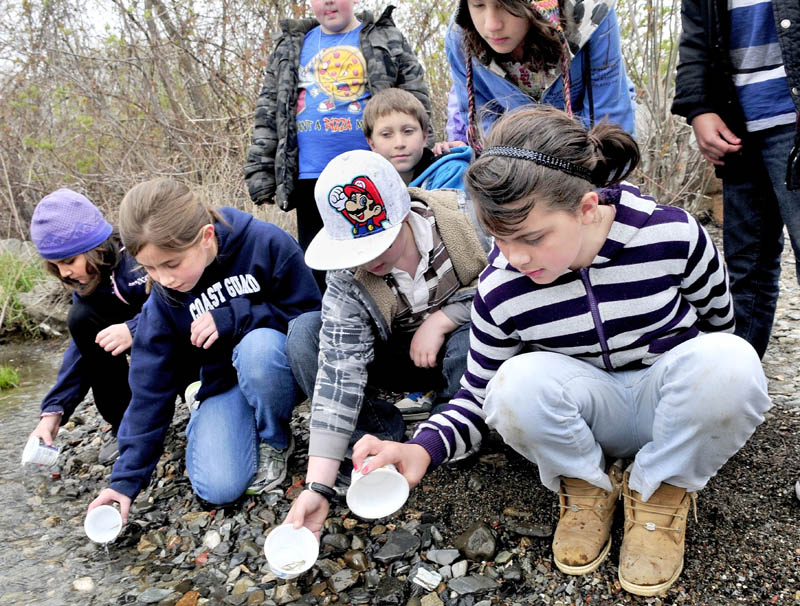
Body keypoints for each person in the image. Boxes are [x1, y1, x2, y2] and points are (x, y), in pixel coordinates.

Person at [351, 107, 771, 596]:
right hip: (587, 419)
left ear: (587, 207)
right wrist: (420, 447)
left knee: (733, 361)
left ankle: (662, 490)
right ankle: (586, 487)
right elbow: (478, 395)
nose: (516, 257)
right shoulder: (502, 288)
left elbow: (718, 328)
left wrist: (706, 412)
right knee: (513, 384)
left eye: (532, 237)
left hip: (667, 405)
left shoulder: (673, 236)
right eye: (500, 239)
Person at [282, 149, 490, 535]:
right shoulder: (349, 278)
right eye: (360, 250)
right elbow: (337, 375)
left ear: (405, 213)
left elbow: (506, 285)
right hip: (392, 355)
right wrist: (318, 485)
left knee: (471, 330)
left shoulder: (463, 220)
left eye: (381, 242)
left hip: (463, 356)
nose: (371, 259)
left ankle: (448, 430)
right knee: (306, 332)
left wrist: (444, 319)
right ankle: (372, 445)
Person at [87, 178, 320, 522]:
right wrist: (124, 483)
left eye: (171, 264)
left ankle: (276, 438)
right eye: (149, 268)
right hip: (223, 382)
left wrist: (237, 316)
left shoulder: (265, 242)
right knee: (220, 488)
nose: (163, 279)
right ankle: (208, 410)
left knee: (257, 347)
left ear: (206, 236)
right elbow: (149, 387)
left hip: (276, 367)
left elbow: (309, 319)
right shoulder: (164, 297)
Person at [243, 0, 431, 291]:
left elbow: (415, 98)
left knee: (382, 261)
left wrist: (419, 149)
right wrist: (262, 171)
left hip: (372, 175)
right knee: (324, 270)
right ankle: (334, 327)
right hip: (311, 178)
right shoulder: (292, 45)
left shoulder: (383, 36)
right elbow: (269, 110)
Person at [671, 0, 800, 360]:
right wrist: (699, 108)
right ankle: (735, 391)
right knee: (745, 269)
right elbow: (696, 39)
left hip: (793, 120)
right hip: (738, 124)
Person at [28, 189, 148, 464]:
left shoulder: (138, 258)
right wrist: (54, 412)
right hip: (137, 348)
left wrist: (134, 328)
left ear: (94, 248)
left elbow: (179, 306)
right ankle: (126, 424)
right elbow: (81, 350)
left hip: (182, 347)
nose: (64, 273)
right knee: (80, 319)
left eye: (69, 261)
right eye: (56, 265)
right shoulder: (87, 285)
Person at [446, 0, 636, 151]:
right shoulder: (460, 37)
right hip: (519, 145)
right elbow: (484, 123)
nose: (492, 25)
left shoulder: (592, 14)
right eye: (478, 5)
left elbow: (609, 116)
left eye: (506, 4)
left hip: (587, 132)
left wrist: (600, 190)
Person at [363, 88, 472, 190]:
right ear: (372, 144)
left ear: (424, 137)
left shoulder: (452, 172)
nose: (399, 143)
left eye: (408, 131)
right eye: (386, 134)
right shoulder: (364, 186)